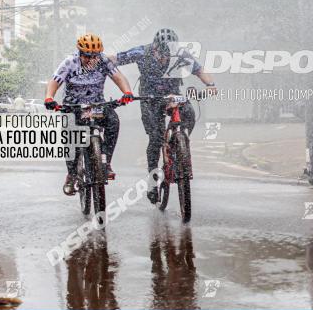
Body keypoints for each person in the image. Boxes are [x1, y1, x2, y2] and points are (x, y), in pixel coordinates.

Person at [111, 29, 217, 199]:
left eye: (169, 54)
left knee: (189, 112)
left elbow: (199, 70)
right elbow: (115, 59)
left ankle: (179, 145)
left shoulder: (181, 54)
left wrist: (210, 84)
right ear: (155, 48)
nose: (165, 58)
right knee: (155, 138)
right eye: (162, 54)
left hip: (172, 94)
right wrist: (95, 59)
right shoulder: (142, 52)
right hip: (149, 97)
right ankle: (152, 183)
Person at [44, 33, 134, 196]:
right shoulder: (70, 62)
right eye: (87, 56)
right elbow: (54, 81)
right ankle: (72, 174)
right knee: (70, 137)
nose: (91, 60)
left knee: (113, 121)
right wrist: (49, 97)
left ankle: (105, 161)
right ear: (80, 53)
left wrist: (127, 92)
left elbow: (118, 77)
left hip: (97, 105)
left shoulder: (104, 61)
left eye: (95, 56)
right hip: (74, 107)